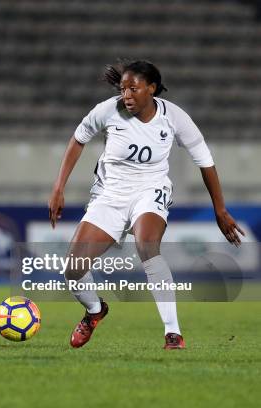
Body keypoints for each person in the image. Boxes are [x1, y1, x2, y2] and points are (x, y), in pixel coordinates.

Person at [47, 60, 244, 349]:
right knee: (73, 269)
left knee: (147, 245)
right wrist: (58, 187)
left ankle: (173, 333)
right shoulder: (107, 110)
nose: (126, 95)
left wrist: (220, 209)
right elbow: (78, 140)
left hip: (150, 190)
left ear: (151, 89)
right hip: (110, 195)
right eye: (123, 88)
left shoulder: (174, 117)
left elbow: (205, 161)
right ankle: (94, 311)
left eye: (133, 88)